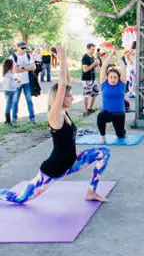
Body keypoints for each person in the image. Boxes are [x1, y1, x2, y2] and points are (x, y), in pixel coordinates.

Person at [0, 45, 110, 204]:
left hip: (71, 163)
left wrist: (63, 63)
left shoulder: (65, 113)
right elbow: (63, 85)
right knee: (19, 199)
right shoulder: (55, 114)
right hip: (53, 170)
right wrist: (63, 58)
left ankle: (91, 191)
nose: (72, 98)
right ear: (60, 98)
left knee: (103, 153)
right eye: (69, 96)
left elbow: (67, 83)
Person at [97, 49, 127, 144]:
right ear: (107, 77)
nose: (113, 79)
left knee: (120, 135)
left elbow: (122, 66)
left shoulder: (121, 84)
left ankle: (122, 131)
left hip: (119, 114)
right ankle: (103, 136)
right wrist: (110, 55)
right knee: (100, 116)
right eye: (111, 77)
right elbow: (103, 67)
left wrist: (117, 56)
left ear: (119, 78)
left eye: (115, 77)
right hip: (107, 113)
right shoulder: (104, 83)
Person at [10, 41, 36, 124]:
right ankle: (14, 118)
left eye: (25, 48)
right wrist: (27, 68)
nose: (24, 50)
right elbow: (15, 70)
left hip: (26, 81)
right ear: (17, 47)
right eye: (22, 48)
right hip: (17, 82)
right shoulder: (13, 57)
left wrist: (22, 68)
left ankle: (32, 118)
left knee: (29, 100)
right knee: (15, 101)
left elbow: (33, 67)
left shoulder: (28, 56)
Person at [82, 43, 100, 116]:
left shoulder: (92, 57)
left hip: (93, 78)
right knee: (86, 95)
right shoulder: (85, 57)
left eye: (94, 49)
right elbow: (85, 69)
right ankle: (85, 111)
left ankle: (90, 108)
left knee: (94, 93)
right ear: (88, 49)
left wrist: (96, 64)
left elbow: (92, 67)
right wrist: (94, 64)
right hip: (87, 79)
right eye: (92, 49)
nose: (93, 51)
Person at [3, 59, 19, 125]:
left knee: (8, 105)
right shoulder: (9, 75)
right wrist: (18, 84)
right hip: (11, 91)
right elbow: (11, 85)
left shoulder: (7, 74)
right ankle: (8, 120)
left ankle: (8, 120)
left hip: (7, 90)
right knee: (9, 105)